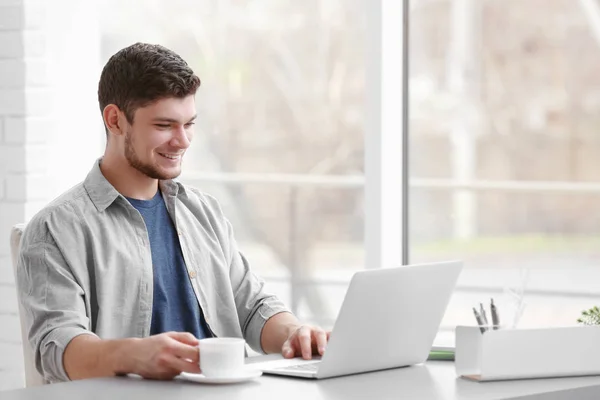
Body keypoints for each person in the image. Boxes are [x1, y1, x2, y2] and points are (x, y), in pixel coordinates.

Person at [16, 42, 329, 383]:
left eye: (189, 124)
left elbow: (251, 305)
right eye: (165, 125)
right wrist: (138, 354)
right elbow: (57, 349)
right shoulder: (55, 229)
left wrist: (295, 333)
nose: (183, 141)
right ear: (115, 120)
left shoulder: (203, 211)